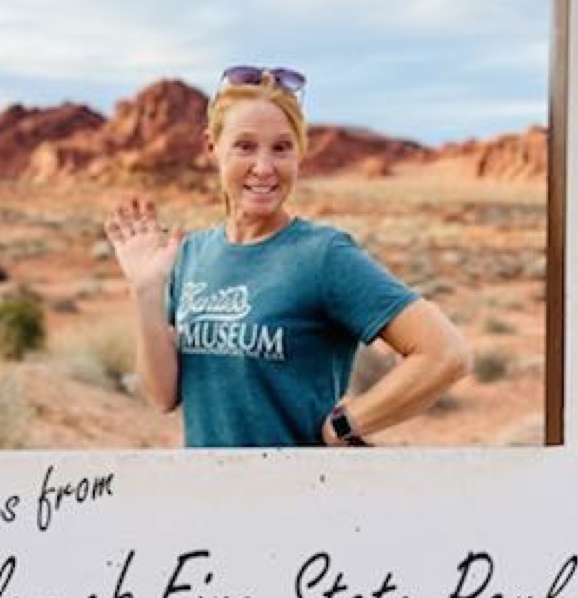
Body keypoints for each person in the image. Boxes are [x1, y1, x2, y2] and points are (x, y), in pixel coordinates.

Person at [104, 65, 472, 447]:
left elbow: (446, 354)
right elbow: (162, 396)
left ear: (299, 154)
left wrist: (345, 425)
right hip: (210, 494)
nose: (264, 168)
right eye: (245, 146)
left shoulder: (323, 256)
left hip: (299, 498)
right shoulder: (193, 253)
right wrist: (146, 292)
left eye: (281, 148)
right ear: (212, 147)